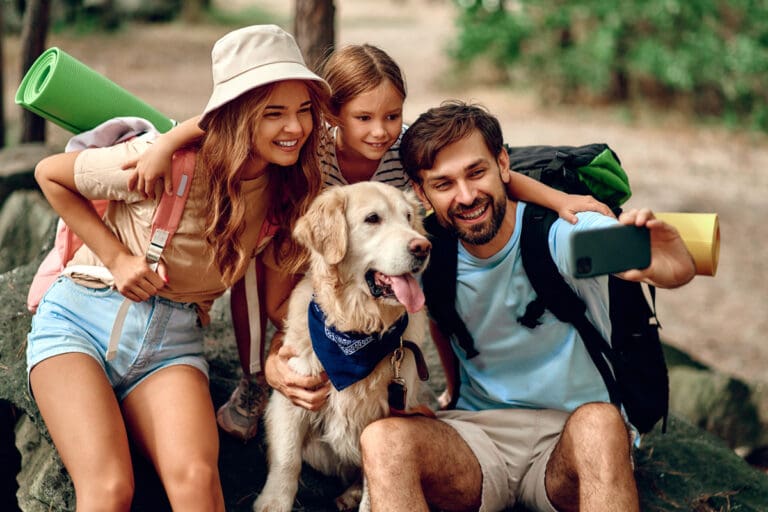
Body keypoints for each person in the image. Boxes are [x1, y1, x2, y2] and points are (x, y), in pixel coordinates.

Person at [132, 43, 612, 440]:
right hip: (309, 234)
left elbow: (490, 173)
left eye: (391, 116)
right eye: (363, 118)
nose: (379, 131)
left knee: (433, 257)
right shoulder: (312, 139)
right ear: (333, 113)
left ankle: (442, 380)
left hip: (381, 246)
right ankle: (259, 376)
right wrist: (166, 144)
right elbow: (225, 116)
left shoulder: (403, 147)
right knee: (263, 265)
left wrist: (558, 199)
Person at [27, 24, 331, 510]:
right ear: (237, 115)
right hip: (80, 322)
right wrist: (118, 257)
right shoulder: (167, 162)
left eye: (303, 111)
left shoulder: (286, 192)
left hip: (172, 343)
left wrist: (284, 360)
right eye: (274, 113)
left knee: (196, 484)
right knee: (109, 490)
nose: (295, 127)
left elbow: (276, 304)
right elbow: (51, 175)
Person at [357, 101, 696, 512]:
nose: (466, 196)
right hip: (477, 439)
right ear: (420, 191)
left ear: (503, 164)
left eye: (476, 172)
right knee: (382, 440)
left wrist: (670, 265)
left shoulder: (559, 234)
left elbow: (637, 259)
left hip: (571, 439)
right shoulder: (428, 254)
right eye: (443, 184)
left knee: (602, 423)